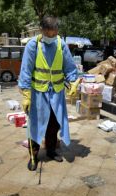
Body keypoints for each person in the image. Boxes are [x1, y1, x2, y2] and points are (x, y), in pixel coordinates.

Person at [19, 16, 80, 171]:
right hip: (39, 93)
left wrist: (73, 82)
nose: (51, 37)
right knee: (36, 125)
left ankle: (51, 151)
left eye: (54, 34)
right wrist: (26, 95)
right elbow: (25, 71)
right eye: (48, 34)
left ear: (57, 31)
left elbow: (70, 67)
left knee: (54, 124)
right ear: (42, 30)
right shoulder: (33, 45)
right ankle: (34, 156)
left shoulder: (61, 45)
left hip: (57, 93)